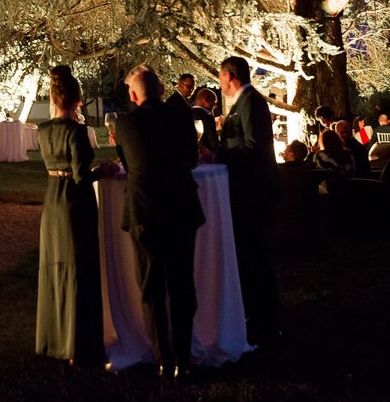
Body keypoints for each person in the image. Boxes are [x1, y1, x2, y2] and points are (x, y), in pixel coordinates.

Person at [116, 64, 204, 380]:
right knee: (182, 284)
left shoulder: (125, 123)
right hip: (180, 206)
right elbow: (192, 160)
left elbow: (128, 165)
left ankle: (163, 359)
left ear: (133, 95)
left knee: (152, 287)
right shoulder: (181, 118)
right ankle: (183, 357)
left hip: (145, 209)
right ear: (161, 90)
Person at [35, 65, 104, 367]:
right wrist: (102, 171)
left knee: (54, 266)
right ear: (77, 101)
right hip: (74, 202)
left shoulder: (43, 131)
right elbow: (80, 175)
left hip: (52, 199)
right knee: (77, 265)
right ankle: (77, 343)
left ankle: (52, 338)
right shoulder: (77, 132)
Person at [216, 56, 280, 347]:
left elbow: (254, 147)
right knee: (250, 256)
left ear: (230, 76)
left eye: (220, 77)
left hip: (252, 193)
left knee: (256, 257)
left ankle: (264, 321)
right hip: (247, 191)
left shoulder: (251, 102)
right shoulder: (244, 102)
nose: (220, 83)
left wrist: (219, 156)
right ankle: (257, 316)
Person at [192, 87, 219, 154]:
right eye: (214, 102)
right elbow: (213, 143)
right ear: (206, 100)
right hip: (206, 154)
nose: (214, 106)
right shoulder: (207, 117)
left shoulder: (186, 114)